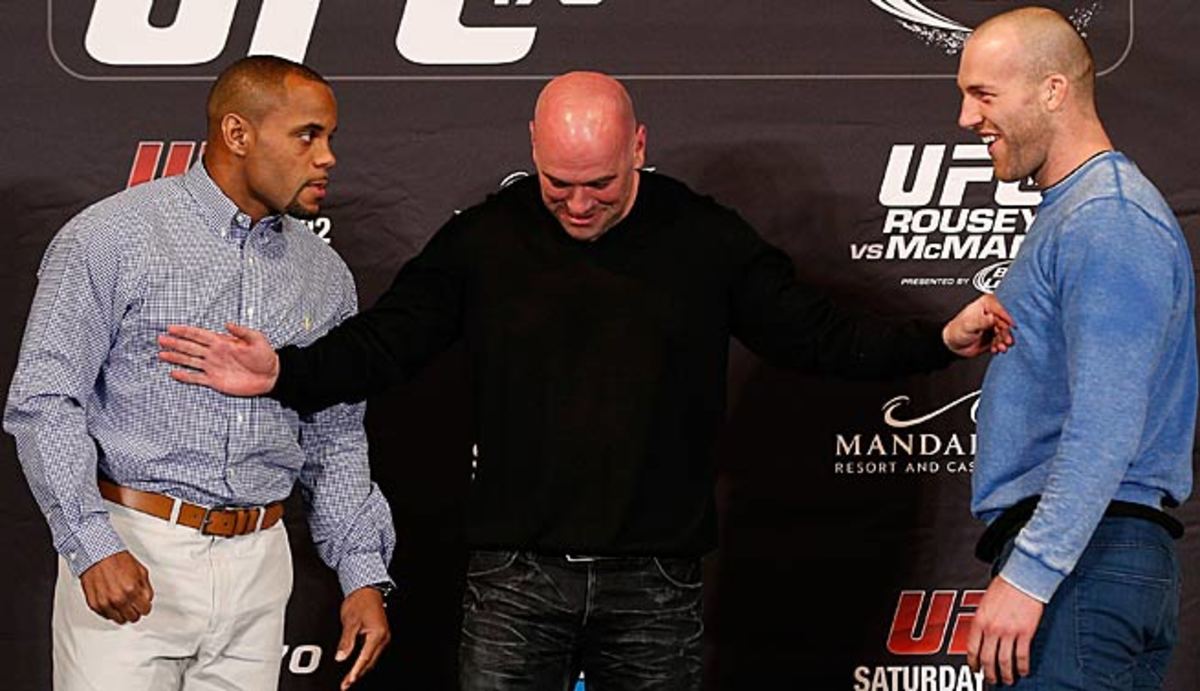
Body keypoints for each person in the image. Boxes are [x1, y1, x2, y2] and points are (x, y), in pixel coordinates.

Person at [158, 71, 1012, 690]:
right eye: (558, 183)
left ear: (639, 147)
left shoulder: (703, 238)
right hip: (514, 579)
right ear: (532, 150)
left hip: (656, 583)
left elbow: (817, 335)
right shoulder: (485, 239)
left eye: (600, 184)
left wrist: (935, 337)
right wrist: (286, 371)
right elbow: (388, 343)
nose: (576, 204)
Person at [4, 56, 395, 691]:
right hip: (136, 547)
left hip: (260, 565)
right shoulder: (111, 237)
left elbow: (335, 435)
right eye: (307, 135)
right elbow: (46, 401)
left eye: (329, 137)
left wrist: (361, 572)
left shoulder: (325, 275)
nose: (327, 157)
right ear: (238, 134)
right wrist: (92, 544)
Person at [956, 8, 1195, 689]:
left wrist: (1031, 574)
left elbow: (1106, 420)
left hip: (1085, 562)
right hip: (1093, 558)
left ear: (1053, 90)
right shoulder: (1080, 211)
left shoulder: (1106, 217)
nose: (966, 118)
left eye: (983, 94)